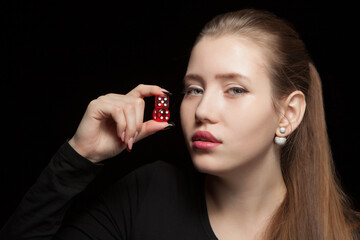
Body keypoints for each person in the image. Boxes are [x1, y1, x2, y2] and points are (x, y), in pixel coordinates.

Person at [1, 8, 359, 240]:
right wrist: (79, 156)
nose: (203, 109)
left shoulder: (343, 233)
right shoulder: (148, 194)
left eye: (234, 89)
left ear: (289, 114)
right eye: (194, 89)